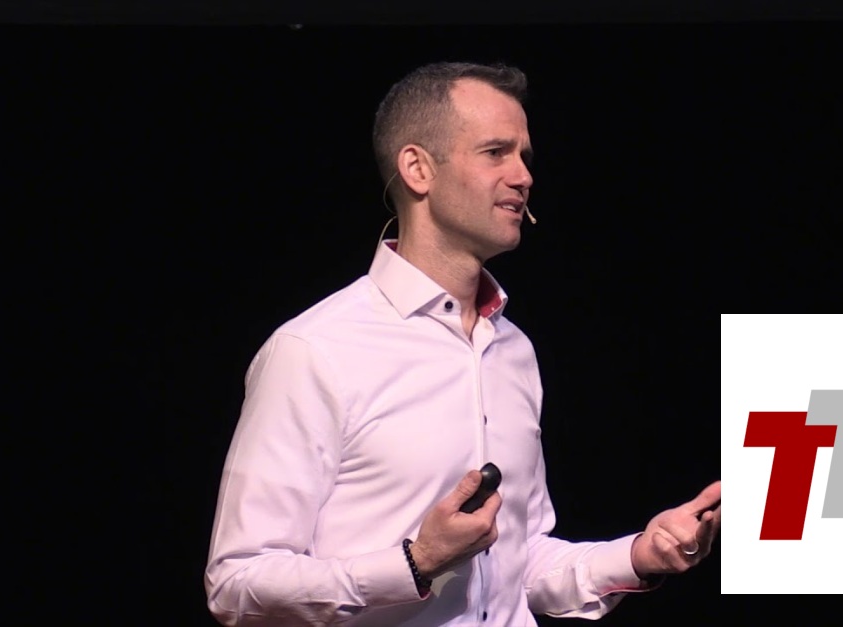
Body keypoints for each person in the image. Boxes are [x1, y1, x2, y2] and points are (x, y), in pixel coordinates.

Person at [204, 61, 721, 626]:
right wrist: (415, 563)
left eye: (524, 156)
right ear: (418, 169)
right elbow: (236, 585)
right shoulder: (315, 350)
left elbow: (517, 565)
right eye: (495, 152)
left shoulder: (512, 350)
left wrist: (639, 554)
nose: (523, 176)